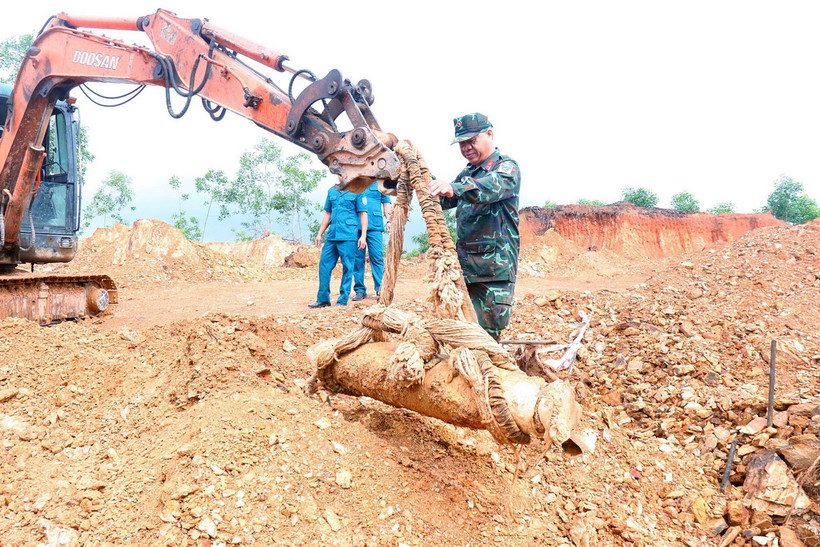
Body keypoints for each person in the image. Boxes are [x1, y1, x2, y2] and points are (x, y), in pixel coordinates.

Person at [428, 112, 521, 340]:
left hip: (492, 273)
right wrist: (418, 177)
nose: (466, 148)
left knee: (485, 337)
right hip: (467, 270)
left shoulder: (506, 168)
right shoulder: (469, 172)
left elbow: (489, 187)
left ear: (489, 134)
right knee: (463, 333)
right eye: (462, 143)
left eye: (472, 141)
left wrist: (454, 188)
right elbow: (445, 198)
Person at [308, 186, 367, 308]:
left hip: (348, 236)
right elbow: (328, 213)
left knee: (348, 267)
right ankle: (323, 299)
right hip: (332, 235)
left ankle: (342, 300)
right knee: (324, 265)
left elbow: (363, 214)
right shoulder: (332, 191)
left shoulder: (358, 190)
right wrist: (319, 233)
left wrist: (363, 236)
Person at [352, 182, 393, 301]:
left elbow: (386, 204)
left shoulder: (381, 184)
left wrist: (389, 221)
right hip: (357, 226)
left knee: (377, 257)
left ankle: (380, 289)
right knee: (358, 259)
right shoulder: (356, 182)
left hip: (375, 226)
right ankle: (359, 290)